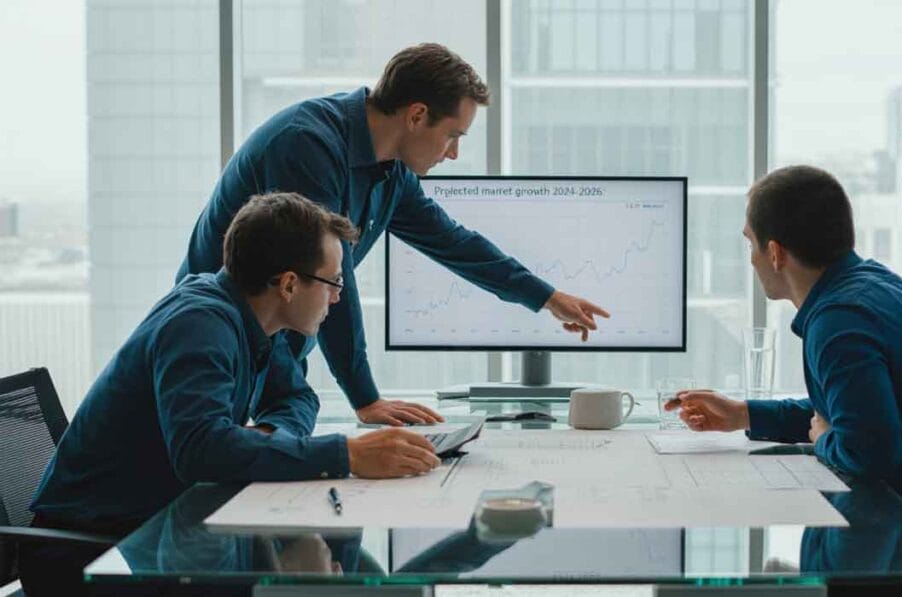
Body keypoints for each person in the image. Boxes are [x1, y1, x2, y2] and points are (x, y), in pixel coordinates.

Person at [23, 193, 440, 595]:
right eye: (333, 281)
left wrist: (270, 436)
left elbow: (297, 398)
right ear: (289, 285)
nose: (337, 295)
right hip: (87, 553)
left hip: (161, 530)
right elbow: (200, 450)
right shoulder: (200, 324)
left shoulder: (255, 316)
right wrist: (345, 455)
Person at [176, 43, 609, 426]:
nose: (454, 153)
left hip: (277, 346)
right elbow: (327, 277)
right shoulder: (306, 145)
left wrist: (548, 297)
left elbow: (454, 243)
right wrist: (366, 399)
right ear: (417, 115)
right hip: (218, 344)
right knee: (216, 474)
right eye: (452, 136)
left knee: (284, 457)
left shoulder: (391, 173)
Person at [667, 165, 902, 534]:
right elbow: (855, 411)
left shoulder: (839, 320)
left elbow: (869, 452)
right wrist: (744, 414)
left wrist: (824, 440)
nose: (750, 258)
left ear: (774, 253)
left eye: (749, 242)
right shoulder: (871, 285)